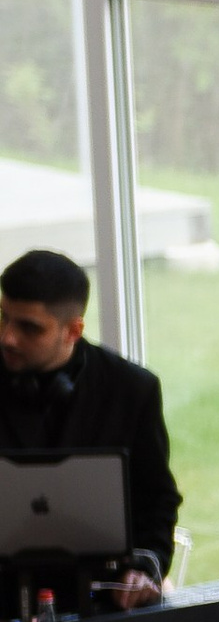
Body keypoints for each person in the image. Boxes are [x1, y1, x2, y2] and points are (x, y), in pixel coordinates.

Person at [0, 247, 175, 603]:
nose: (8, 338)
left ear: (73, 331)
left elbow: (157, 499)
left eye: (29, 328)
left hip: (99, 596)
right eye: (3, 318)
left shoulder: (132, 390)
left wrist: (144, 567)